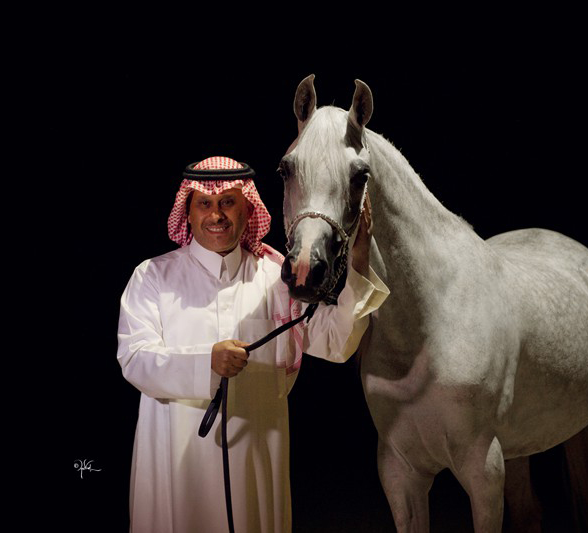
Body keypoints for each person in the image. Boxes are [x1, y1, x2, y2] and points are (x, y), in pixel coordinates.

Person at [117, 156, 389, 533]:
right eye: (205, 203)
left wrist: (358, 263)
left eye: (228, 202)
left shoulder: (274, 277)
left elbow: (335, 341)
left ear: (248, 210)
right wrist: (206, 363)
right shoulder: (153, 277)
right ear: (188, 213)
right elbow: (135, 358)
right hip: (178, 464)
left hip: (256, 461)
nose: (217, 215)